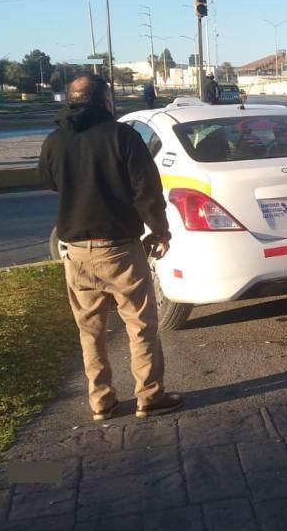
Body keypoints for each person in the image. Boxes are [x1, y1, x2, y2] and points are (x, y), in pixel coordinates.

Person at [38, 74, 183, 421]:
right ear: (106, 101)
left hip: (76, 253)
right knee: (140, 325)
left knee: (90, 331)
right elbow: (147, 191)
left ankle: (102, 402)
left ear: (71, 100)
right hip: (119, 250)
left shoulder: (55, 140)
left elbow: (48, 180)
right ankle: (149, 396)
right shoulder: (123, 137)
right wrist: (161, 232)